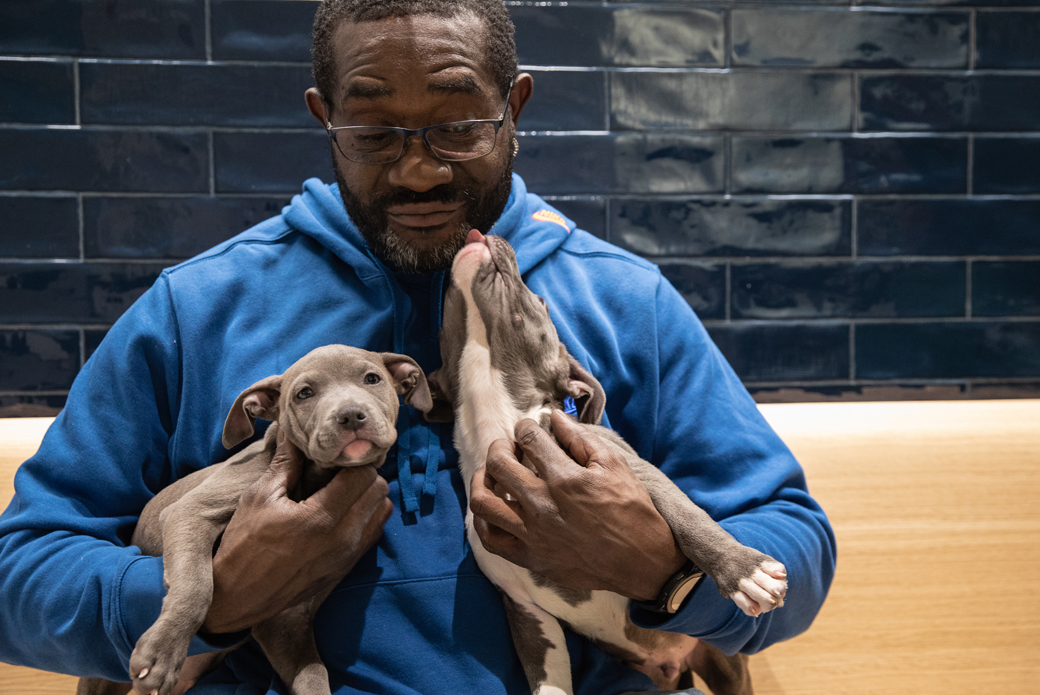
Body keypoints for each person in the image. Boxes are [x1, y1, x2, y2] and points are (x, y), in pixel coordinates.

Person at [0, 1, 836, 694]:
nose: (419, 171)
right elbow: (20, 574)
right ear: (326, 120)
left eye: (458, 125)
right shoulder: (196, 310)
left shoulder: (624, 302)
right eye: (374, 131)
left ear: (515, 109)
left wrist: (664, 570)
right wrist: (209, 595)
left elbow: (795, 544)